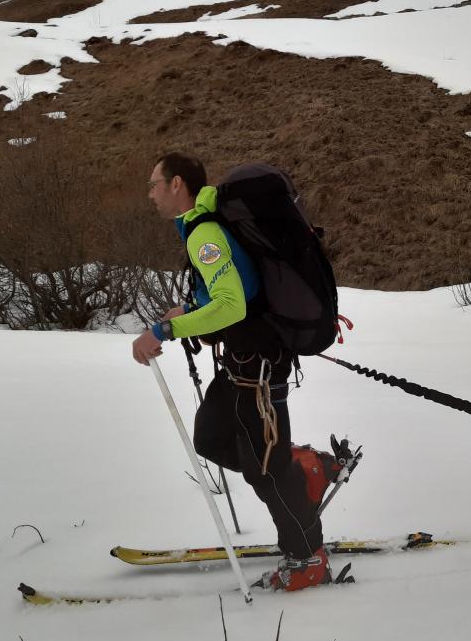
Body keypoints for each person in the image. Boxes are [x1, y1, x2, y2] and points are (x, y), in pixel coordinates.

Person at [132, 152, 333, 591]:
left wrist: (165, 329)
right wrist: (189, 307)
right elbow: (236, 290)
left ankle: (307, 558)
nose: (149, 193)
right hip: (241, 364)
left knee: (266, 471)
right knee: (212, 438)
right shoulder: (203, 226)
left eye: (154, 183)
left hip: (259, 370)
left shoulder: (205, 232)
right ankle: (307, 470)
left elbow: (232, 305)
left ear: (177, 184)